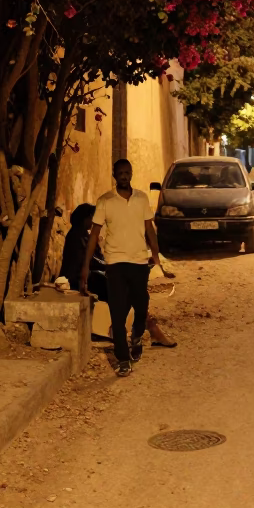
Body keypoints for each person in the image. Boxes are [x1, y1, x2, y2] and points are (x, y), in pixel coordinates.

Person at [80, 159, 174, 377]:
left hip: (139, 261)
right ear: (114, 175)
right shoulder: (105, 201)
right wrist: (85, 266)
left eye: (127, 172)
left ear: (131, 174)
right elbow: (94, 234)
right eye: (120, 173)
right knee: (117, 311)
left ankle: (137, 336)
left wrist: (156, 257)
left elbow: (149, 229)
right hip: (115, 263)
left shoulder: (141, 199)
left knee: (141, 306)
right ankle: (123, 358)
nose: (124, 176)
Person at [63, 201, 176, 349]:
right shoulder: (76, 236)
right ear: (86, 218)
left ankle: (138, 329)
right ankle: (146, 330)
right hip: (81, 280)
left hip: (93, 276)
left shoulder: (84, 235)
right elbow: (89, 262)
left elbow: (99, 259)